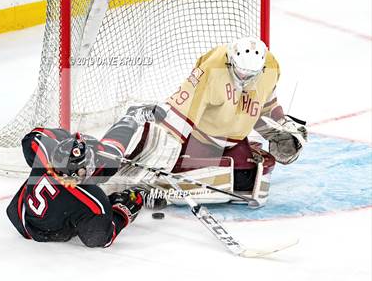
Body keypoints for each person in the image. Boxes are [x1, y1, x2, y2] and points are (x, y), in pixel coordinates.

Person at [130, 37, 307, 196]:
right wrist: (163, 153)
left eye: (250, 75)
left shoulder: (271, 67)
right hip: (199, 140)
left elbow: (265, 104)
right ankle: (146, 122)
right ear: (230, 61)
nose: (244, 78)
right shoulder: (211, 70)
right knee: (177, 170)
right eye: (241, 72)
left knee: (245, 179)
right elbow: (183, 113)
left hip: (236, 142)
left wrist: (281, 126)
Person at [6, 115, 165, 247]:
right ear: (75, 173)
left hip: (21, 215)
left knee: (101, 161)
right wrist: (123, 210)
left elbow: (31, 137)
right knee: (107, 162)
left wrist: (70, 141)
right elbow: (101, 238)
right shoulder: (92, 201)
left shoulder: (43, 154)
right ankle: (130, 120)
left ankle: (129, 120)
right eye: (85, 166)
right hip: (53, 231)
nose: (89, 166)